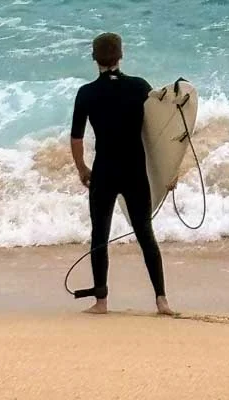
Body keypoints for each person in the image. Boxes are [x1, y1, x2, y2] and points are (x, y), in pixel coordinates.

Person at [70, 32, 173, 315]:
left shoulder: (87, 93)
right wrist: (168, 170)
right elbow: (160, 131)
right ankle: (161, 299)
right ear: (121, 56)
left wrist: (81, 169)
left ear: (94, 58)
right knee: (145, 235)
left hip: (104, 172)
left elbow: (76, 139)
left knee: (99, 236)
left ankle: (101, 301)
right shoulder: (140, 88)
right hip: (134, 172)